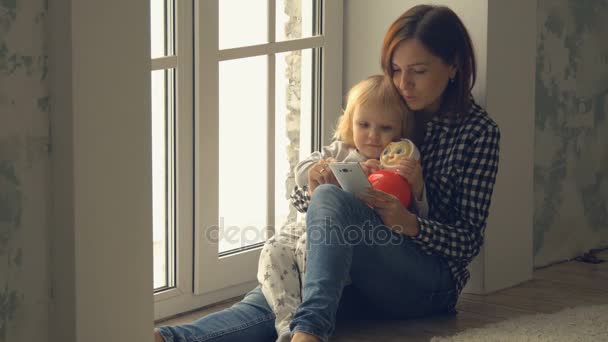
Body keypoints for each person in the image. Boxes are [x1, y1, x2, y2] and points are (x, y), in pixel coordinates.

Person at [155, 4, 500, 342]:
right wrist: (318, 181)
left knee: (313, 280)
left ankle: (310, 334)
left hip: (425, 285)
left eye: (418, 71)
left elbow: (468, 240)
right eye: (395, 70)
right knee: (283, 295)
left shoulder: (478, 133)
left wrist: (409, 223)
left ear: (453, 65)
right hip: (357, 273)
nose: (403, 83)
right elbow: (318, 199)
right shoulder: (384, 109)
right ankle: (171, 338)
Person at [258, 75, 427, 342]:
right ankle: (287, 326)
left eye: (385, 128)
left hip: (346, 246)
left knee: (306, 254)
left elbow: (416, 216)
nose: (372, 135)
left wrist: (415, 186)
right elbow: (301, 173)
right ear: (350, 123)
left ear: (400, 133)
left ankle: (305, 328)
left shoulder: (395, 167)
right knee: (273, 249)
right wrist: (324, 170)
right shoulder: (340, 151)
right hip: (308, 229)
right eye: (363, 124)